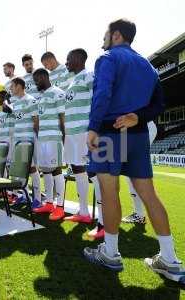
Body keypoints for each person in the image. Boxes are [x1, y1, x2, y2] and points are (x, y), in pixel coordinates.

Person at [84, 19, 184, 282]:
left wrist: (93, 127)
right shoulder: (148, 66)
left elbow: (102, 94)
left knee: (109, 191)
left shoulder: (107, 58)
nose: (104, 38)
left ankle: (111, 253)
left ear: (116, 35)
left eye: (106, 33)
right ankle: (171, 260)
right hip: (137, 135)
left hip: (109, 133)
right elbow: (158, 105)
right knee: (149, 195)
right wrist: (137, 118)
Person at [57, 48, 95, 224]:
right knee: (78, 170)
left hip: (83, 131)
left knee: (93, 173)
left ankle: (103, 219)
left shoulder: (89, 75)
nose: (66, 63)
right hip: (72, 134)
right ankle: (84, 212)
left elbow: (98, 100)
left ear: (79, 59)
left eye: (68, 59)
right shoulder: (73, 81)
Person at [31, 69, 66, 216]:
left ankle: (60, 207)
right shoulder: (40, 96)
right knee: (45, 170)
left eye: (37, 80)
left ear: (44, 77)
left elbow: (63, 118)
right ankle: (49, 203)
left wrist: (65, 140)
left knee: (57, 170)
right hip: (42, 139)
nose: (35, 83)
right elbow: (38, 120)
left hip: (54, 138)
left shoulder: (57, 92)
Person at [4, 77, 42, 210]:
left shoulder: (30, 100)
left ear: (19, 86)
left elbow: (36, 121)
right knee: (21, 170)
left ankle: (37, 199)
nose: (11, 89)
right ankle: (24, 196)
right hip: (18, 141)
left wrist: (36, 140)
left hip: (28, 140)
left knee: (31, 169)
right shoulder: (16, 103)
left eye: (12, 86)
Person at [122, 121, 157, 224]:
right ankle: (139, 214)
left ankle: (140, 215)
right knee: (131, 175)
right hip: (137, 131)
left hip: (142, 130)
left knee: (133, 175)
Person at [0, 90, 15, 164]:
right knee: (1, 163)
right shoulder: (0, 113)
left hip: (9, 140)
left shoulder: (11, 109)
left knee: (9, 163)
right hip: (1, 140)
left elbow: (10, 109)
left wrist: (7, 102)